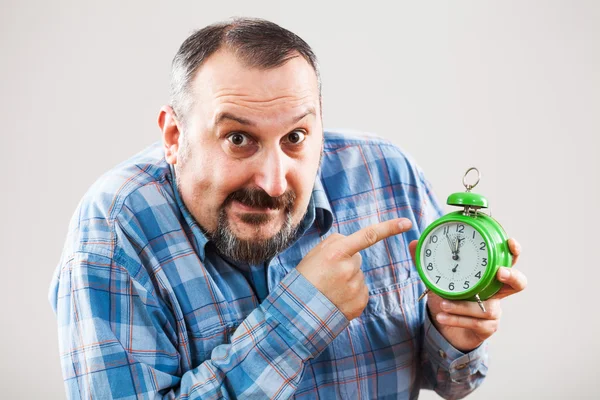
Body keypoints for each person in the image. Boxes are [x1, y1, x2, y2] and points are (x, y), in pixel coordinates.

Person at [49, 18, 526, 399]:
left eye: (295, 138)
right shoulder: (114, 235)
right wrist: (301, 315)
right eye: (238, 139)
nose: (273, 182)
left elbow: (451, 381)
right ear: (175, 137)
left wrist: (454, 334)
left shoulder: (387, 173)